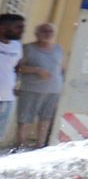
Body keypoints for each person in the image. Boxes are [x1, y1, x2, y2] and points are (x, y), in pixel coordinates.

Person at [15, 21, 63, 149]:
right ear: (37, 33)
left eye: (50, 31)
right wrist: (36, 70)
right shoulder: (28, 48)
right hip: (31, 89)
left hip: (53, 90)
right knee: (25, 118)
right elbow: (17, 68)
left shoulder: (58, 49)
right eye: (44, 31)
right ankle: (20, 145)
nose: (47, 34)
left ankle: (40, 145)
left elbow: (60, 68)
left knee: (46, 118)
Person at [0, 13, 23, 145]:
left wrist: (18, 85)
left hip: (7, 97)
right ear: (3, 28)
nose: (21, 31)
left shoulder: (17, 46)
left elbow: (17, 67)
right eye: (17, 27)